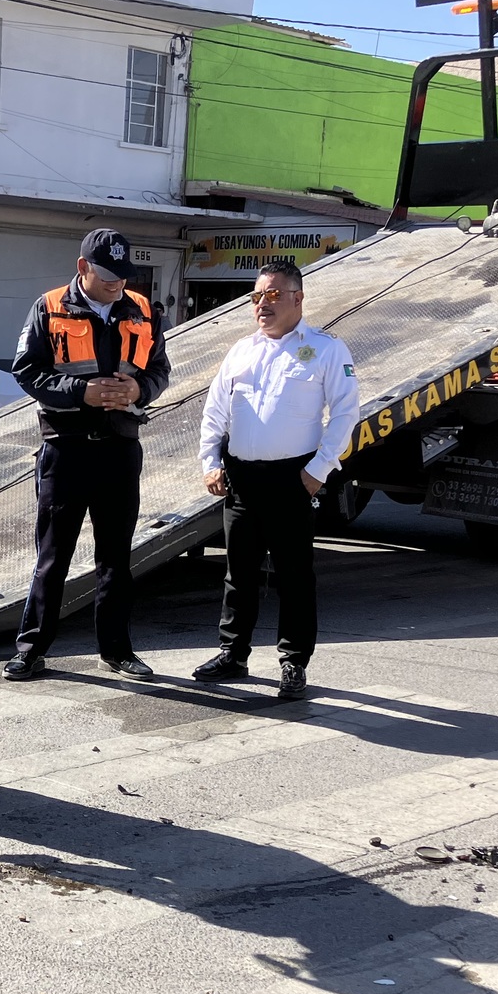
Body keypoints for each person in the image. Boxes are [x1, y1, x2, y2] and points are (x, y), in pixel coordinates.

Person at [4, 229, 171, 683]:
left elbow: (160, 370)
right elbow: (27, 370)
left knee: (116, 556)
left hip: (121, 448)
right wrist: (82, 393)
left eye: (123, 276)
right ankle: (31, 649)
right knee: (52, 556)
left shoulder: (141, 309)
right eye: (107, 276)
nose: (117, 284)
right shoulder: (49, 306)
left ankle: (116, 651)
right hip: (66, 449)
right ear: (83, 268)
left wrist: (140, 389)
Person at [192, 259, 358, 700]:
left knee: (294, 576)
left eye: (273, 295)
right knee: (239, 573)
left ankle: (293, 662)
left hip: (292, 480)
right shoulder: (241, 351)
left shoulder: (325, 349)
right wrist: (211, 461)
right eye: (256, 296)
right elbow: (215, 412)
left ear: (298, 298)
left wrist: (316, 472)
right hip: (242, 479)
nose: (262, 304)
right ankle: (233, 653)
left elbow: (345, 414)